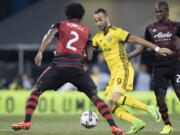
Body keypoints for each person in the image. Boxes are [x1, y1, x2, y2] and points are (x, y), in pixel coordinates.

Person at [11, 3, 124, 135]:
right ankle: (114, 127)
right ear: (81, 16)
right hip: (77, 68)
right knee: (95, 98)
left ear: (67, 14)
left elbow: (49, 36)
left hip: (60, 66)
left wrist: (41, 52)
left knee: (36, 91)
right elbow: (89, 56)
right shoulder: (87, 32)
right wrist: (78, 57)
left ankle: (26, 122)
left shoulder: (60, 24)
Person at [92, 8, 173, 134]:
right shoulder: (97, 38)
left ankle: (148, 108)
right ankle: (137, 122)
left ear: (108, 18)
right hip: (113, 74)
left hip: (123, 69)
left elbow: (137, 40)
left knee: (116, 98)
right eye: (96, 21)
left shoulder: (117, 32)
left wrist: (157, 48)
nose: (98, 23)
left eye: (100, 19)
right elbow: (86, 50)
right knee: (110, 105)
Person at [127, 1, 180, 134]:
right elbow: (142, 47)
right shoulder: (150, 28)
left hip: (175, 66)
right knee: (160, 99)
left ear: (167, 11)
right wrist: (127, 57)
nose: (158, 14)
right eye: (156, 11)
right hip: (159, 68)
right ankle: (167, 125)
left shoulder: (176, 26)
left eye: (160, 11)